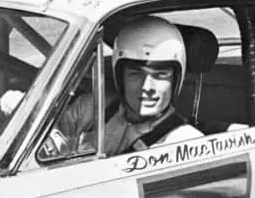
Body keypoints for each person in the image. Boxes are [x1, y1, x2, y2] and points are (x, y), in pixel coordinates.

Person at [41, 15, 203, 158]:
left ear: (176, 80)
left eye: (160, 75)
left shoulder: (187, 143)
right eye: (135, 74)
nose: (147, 86)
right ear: (120, 76)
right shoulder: (92, 108)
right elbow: (47, 144)